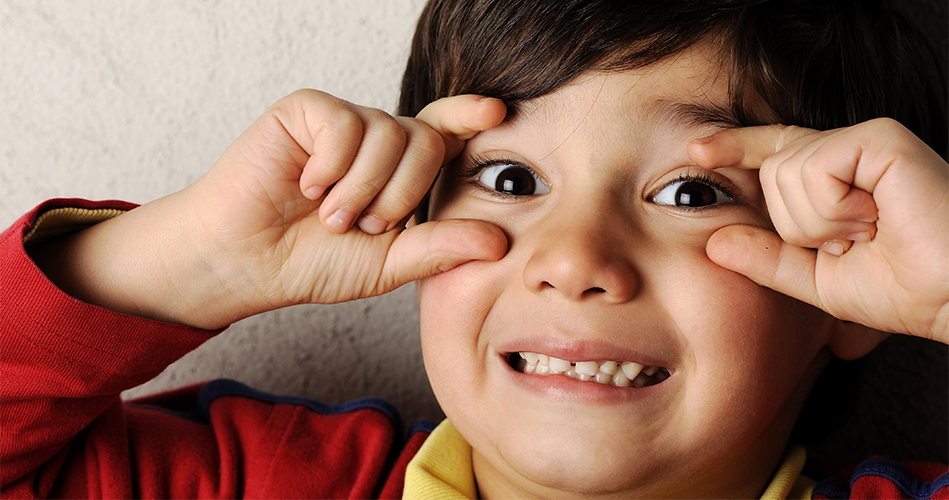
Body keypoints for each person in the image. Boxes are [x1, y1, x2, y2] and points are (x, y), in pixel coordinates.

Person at [2, 0, 946, 498]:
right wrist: (191, 263)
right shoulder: (255, 482)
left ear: (848, 291)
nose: (574, 260)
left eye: (691, 194)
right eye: (508, 180)